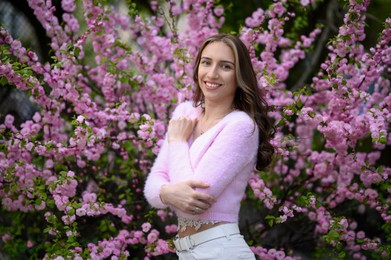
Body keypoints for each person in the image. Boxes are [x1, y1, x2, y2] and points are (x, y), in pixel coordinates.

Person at [144, 33, 275, 259]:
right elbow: (152, 187)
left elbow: (193, 201)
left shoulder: (240, 126)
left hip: (220, 251)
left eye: (225, 66)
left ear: (239, 76)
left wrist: (176, 142)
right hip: (187, 252)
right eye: (206, 62)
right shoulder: (185, 113)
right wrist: (166, 192)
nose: (212, 74)